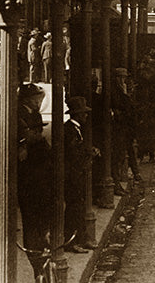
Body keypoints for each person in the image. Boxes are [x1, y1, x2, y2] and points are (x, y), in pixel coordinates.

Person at [17, 83, 53, 281]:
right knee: (32, 220)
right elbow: (24, 138)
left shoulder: (33, 114)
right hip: (28, 175)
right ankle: (36, 258)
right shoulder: (18, 112)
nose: (40, 102)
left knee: (40, 217)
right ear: (29, 99)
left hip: (39, 174)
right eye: (38, 99)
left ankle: (41, 254)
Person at [63, 96, 95, 252]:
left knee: (79, 206)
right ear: (78, 115)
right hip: (71, 175)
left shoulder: (75, 128)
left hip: (77, 173)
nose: (86, 116)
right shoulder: (69, 130)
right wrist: (87, 154)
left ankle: (82, 239)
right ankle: (72, 241)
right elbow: (72, 153)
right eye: (84, 113)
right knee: (73, 208)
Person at [110, 67, 142, 194]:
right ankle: (117, 184)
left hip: (126, 128)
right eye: (122, 78)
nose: (124, 80)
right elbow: (120, 108)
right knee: (118, 157)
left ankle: (134, 173)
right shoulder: (115, 91)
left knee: (125, 153)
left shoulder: (122, 90)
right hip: (120, 128)